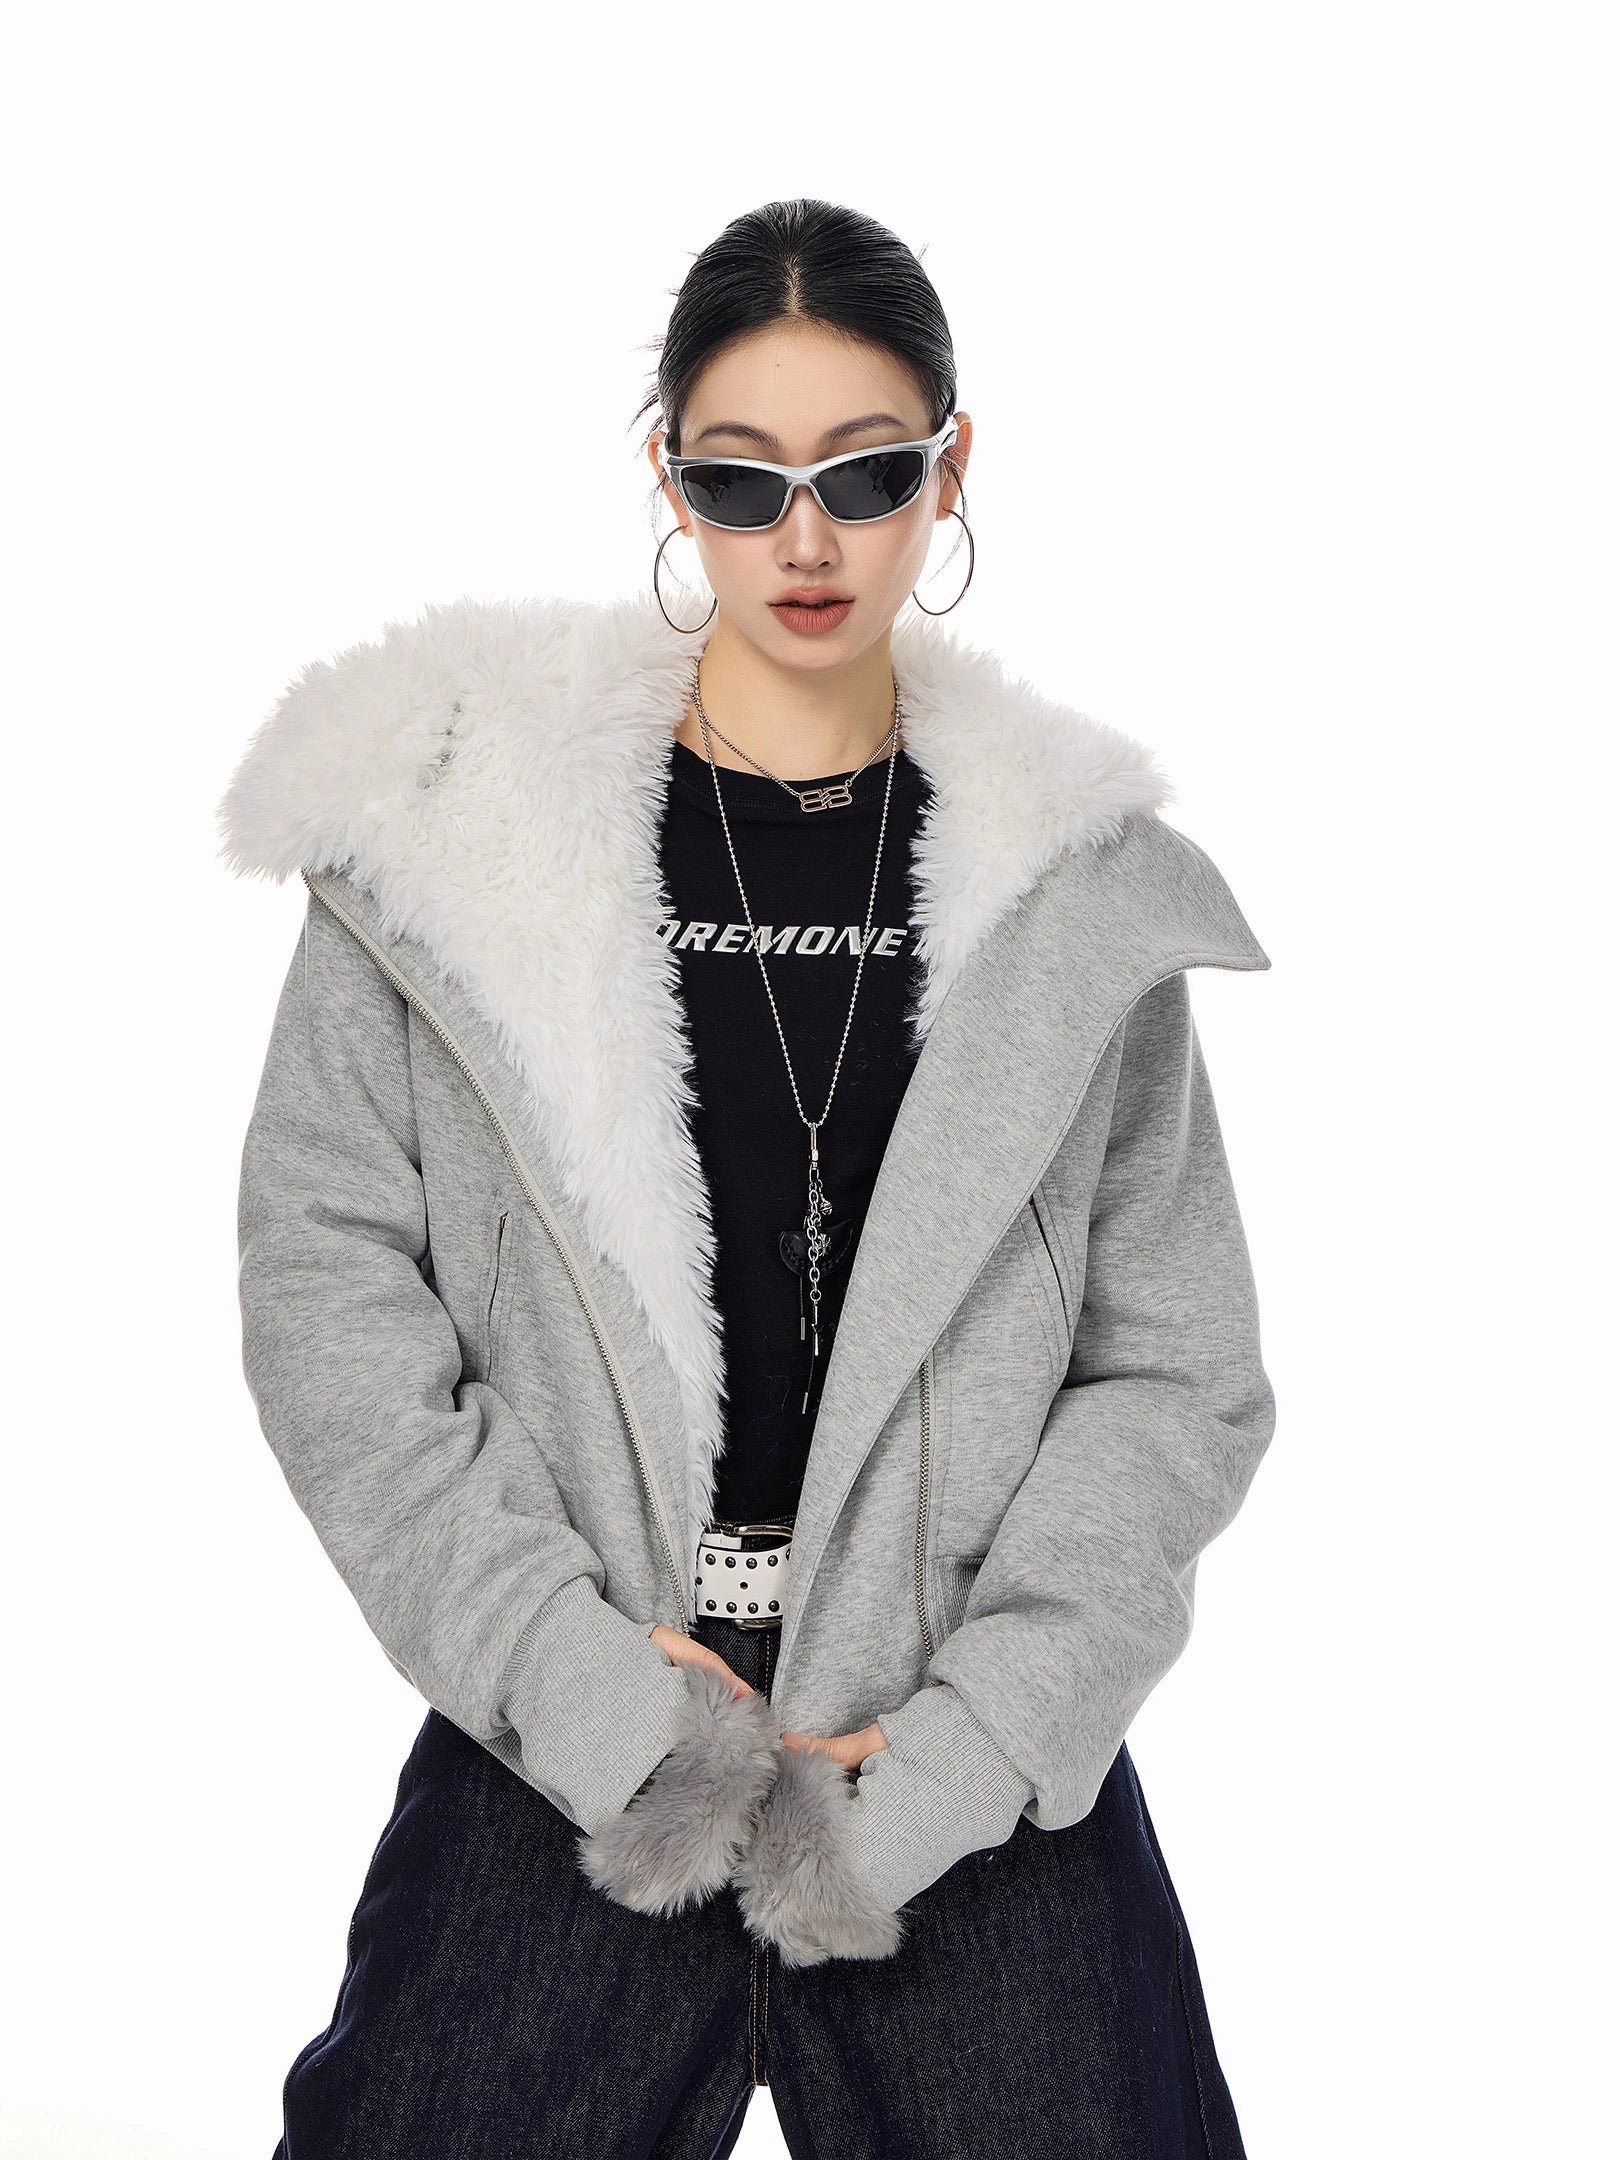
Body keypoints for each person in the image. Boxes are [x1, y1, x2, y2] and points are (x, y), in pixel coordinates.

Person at [218, 197, 1277, 2158]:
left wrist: (982, 1735)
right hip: (577, 1729)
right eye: (741, 478)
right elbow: (330, 1299)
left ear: (952, 466)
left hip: (954, 1748)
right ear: (669, 479)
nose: (807, 538)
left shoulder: (1069, 904)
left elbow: (1175, 1370)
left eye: (866, 474)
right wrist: (574, 1681)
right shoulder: (450, 859)